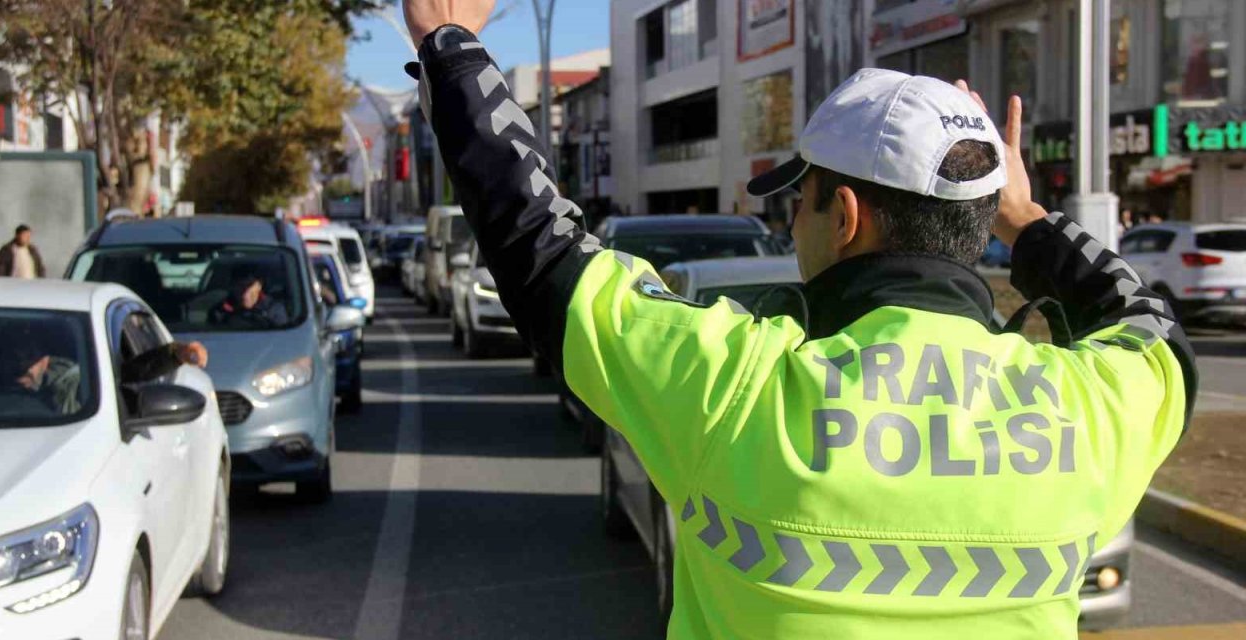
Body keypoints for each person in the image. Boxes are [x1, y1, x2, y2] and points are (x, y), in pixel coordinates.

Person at [401, 2, 1195, 637]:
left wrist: (454, 48)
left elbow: (545, 257)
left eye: (799, 201)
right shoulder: (1081, 413)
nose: (790, 226)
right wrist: (1024, 218)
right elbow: (1153, 332)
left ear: (844, 215)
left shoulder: (742, 390)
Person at [1, 339, 207, 415]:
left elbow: (130, 372)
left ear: (45, 360)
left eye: (28, 364)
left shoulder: (83, 381)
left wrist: (174, 354)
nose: (21, 373)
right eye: (13, 366)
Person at [208, 269, 289, 328]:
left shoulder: (274, 309)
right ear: (232, 287)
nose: (245, 294)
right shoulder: (222, 307)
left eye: (249, 286)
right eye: (240, 287)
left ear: (259, 286)